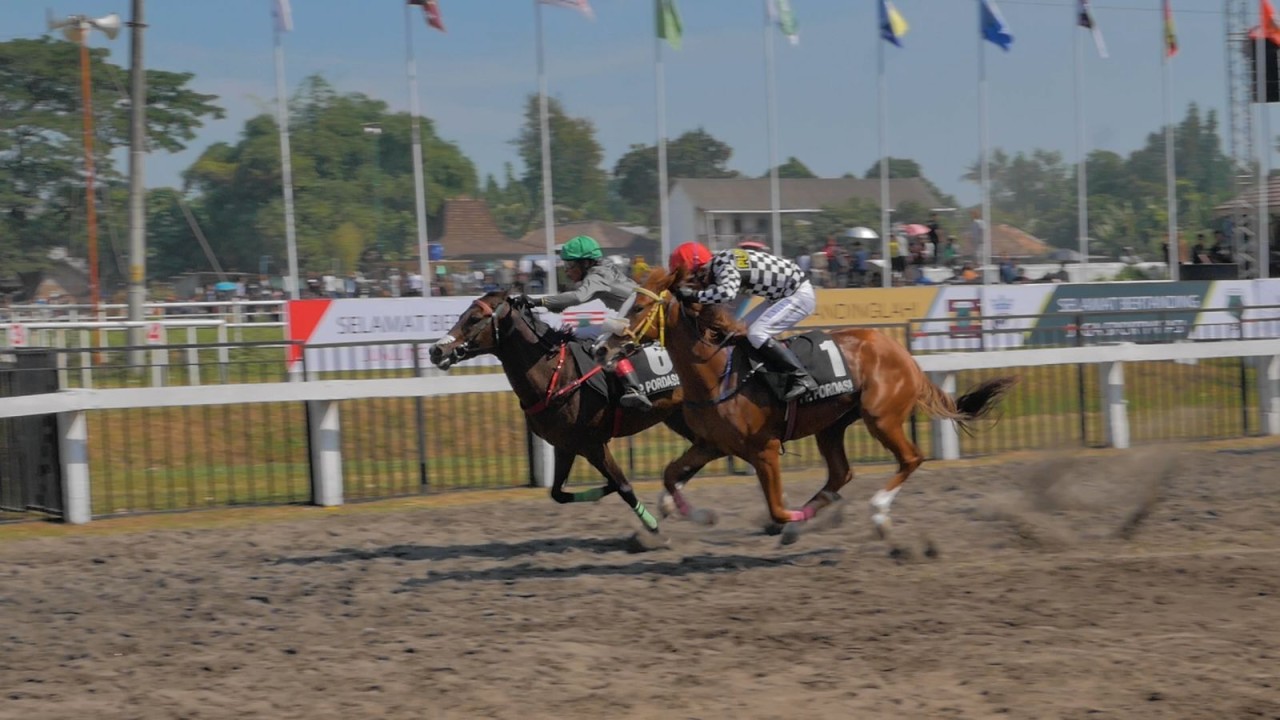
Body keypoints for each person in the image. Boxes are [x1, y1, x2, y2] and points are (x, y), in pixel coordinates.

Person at [511, 235, 652, 410]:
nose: (567, 270)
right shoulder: (603, 269)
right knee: (577, 322)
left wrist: (538, 302)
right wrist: (553, 307)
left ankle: (633, 388)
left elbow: (578, 297)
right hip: (635, 312)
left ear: (586, 263)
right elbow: (578, 299)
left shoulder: (597, 275)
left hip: (636, 317)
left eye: (570, 265)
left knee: (599, 339)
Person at [668, 241, 819, 402]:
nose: (695, 286)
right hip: (781, 295)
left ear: (699, 270)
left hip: (798, 294)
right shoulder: (720, 263)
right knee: (739, 331)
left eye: (692, 281)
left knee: (757, 333)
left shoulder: (724, 264)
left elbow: (727, 293)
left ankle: (802, 377)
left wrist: (693, 296)